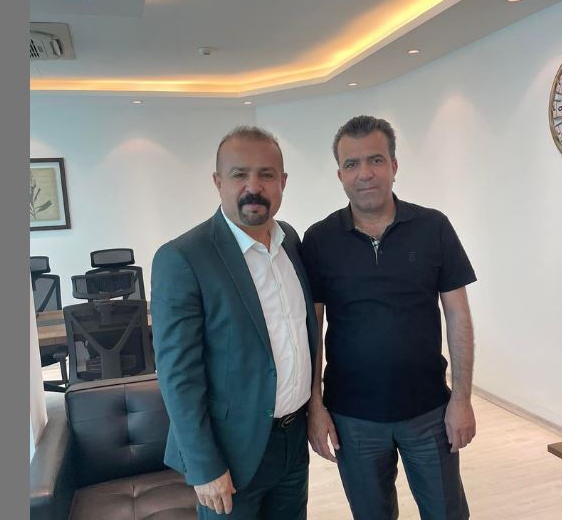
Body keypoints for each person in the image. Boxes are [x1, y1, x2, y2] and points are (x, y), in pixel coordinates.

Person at [303, 115, 477, 520]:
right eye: (352, 164)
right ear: (340, 175)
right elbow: (312, 329)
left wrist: (462, 399)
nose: (365, 173)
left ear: (394, 166)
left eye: (376, 160)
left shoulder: (433, 227)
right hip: (352, 418)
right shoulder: (320, 239)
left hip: (429, 411)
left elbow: (458, 317)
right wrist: (316, 407)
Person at [151, 126, 317, 519]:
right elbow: (178, 375)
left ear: (283, 182)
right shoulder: (183, 257)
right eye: (239, 174)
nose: (253, 187)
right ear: (218, 182)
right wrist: (204, 465)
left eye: (266, 174)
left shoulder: (290, 242)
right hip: (230, 453)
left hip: (293, 442)